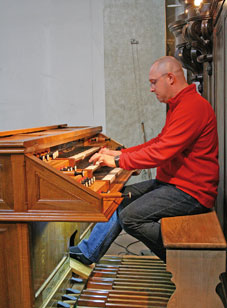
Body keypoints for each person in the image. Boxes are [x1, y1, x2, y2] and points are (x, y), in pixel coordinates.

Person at [69, 56, 219, 264]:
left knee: (131, 217)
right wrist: (121, 154)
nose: (151, 89)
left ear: (170, 78)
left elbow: (161, 152)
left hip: (192, 192)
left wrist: (120, 162)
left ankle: (182, 263)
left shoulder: (192, 107)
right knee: (117, 198)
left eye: (153, 82)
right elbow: (159, 142)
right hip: (173, 184)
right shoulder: (179, 104)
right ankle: (88, 253)